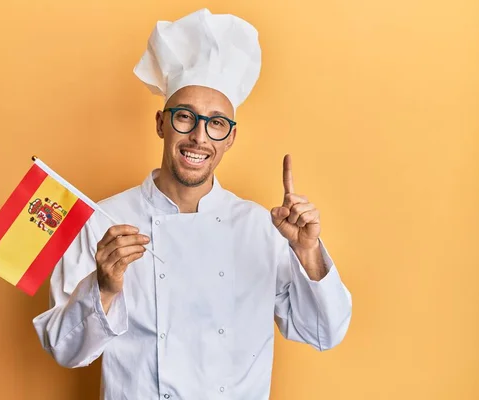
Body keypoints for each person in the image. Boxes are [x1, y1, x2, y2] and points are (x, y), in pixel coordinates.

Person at [33, 8, 352, 400]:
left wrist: (308, 252)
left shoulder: (261, 227)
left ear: (230, 138)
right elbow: (63, 349)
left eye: (216, 123)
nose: (199, 137)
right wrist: (104, 287)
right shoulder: (103, 221)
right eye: (185, 117)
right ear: (161, 124)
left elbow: (324, 331)